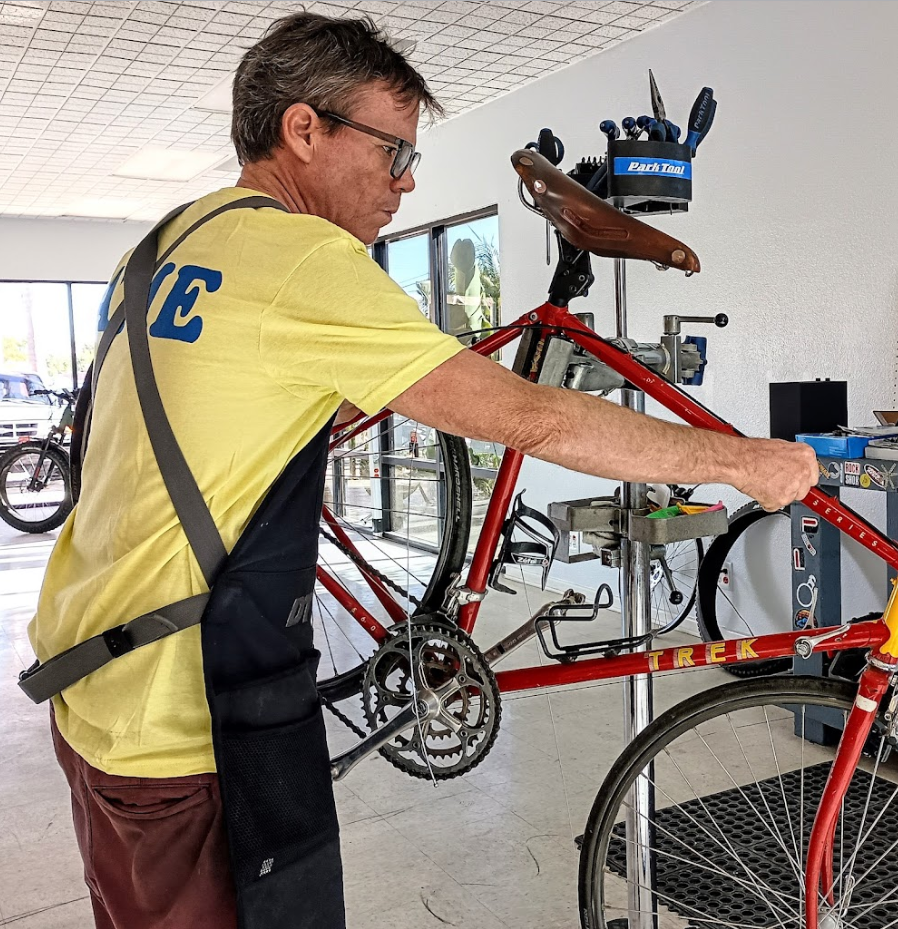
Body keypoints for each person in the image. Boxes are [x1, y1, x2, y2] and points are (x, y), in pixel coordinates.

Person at [25, 11, 818, 929]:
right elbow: (526, 416)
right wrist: (743, 461)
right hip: (181, 721)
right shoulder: (303, 259)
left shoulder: (162, 243)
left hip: (91, 671)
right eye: (392, 151)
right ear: (304, 128)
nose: (404, 183)